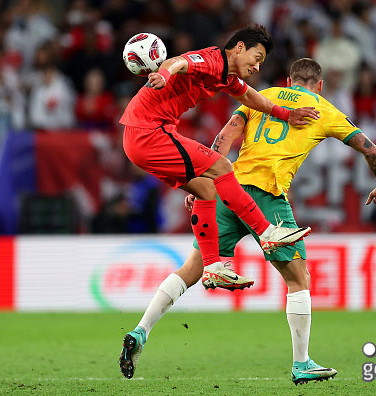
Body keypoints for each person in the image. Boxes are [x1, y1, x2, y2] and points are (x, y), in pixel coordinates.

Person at [119, 58, 376, 385]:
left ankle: (141, 330)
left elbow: (226, 134)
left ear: (289, 79)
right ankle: (301, 363)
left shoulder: (262, 95)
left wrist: (202, 176)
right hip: (267, 196)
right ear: (319, 85)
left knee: (192, 269)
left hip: (226, 191)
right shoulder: (324, 109)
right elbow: (372, 151)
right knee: (298, 279)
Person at [120, 24, 319, 290]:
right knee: (222, 166)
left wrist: (285, 114)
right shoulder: (212, 61)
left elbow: (249, 96)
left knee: (206, 189)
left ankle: (213, 267)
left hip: (141, 139)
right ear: (239, 48)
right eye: (256, 58)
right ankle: (267, 232)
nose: (257, 67)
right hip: (149, 132)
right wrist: (166, 74)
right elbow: (178, 61)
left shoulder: (226, 77)